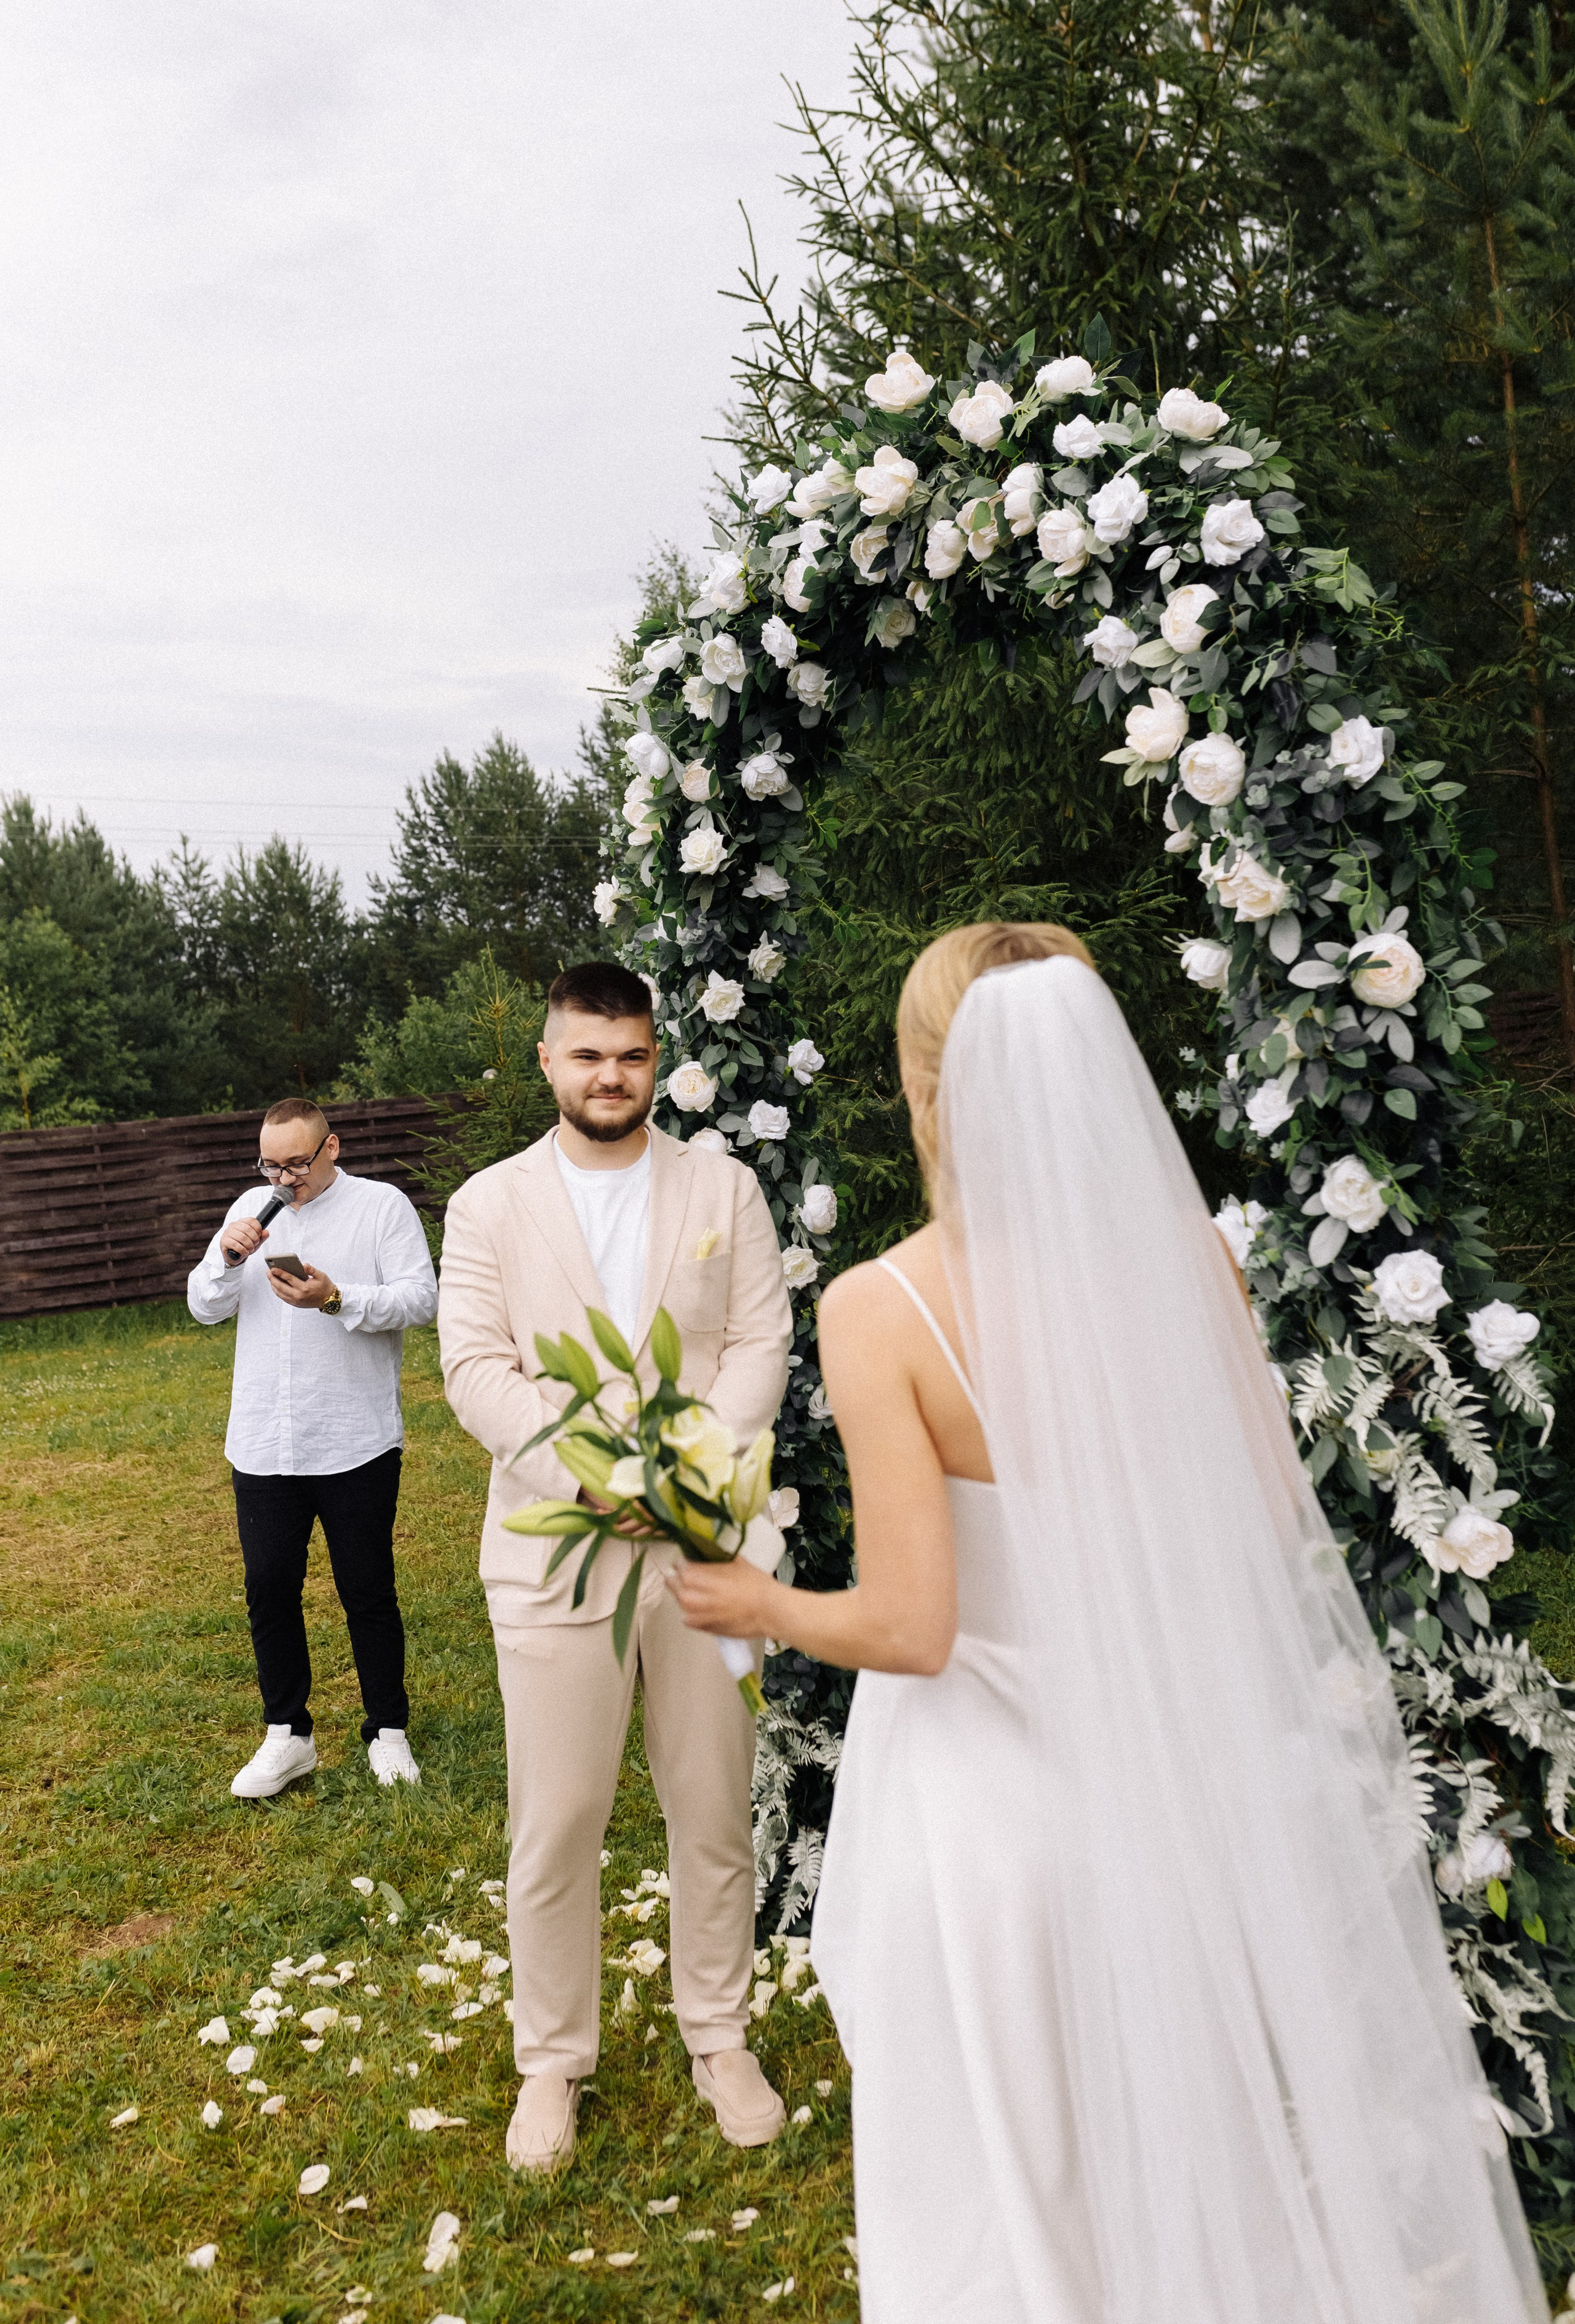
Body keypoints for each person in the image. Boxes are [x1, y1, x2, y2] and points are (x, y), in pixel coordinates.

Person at [673, 923, 1547, 2324]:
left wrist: (750, 1600)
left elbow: (911, 1624)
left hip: (983, 1830)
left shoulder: (879, 1306)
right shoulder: (1197, 1260)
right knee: (1180, 2162)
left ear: (924, 1083)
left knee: (996, 2200)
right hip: (1155, 1793)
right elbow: (1267, 1526)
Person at [437, 960, 794, 2176]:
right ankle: (552, 2062)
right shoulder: (488, 1205)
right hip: (554, 1550)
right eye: (586, 1055)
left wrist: (687, 1470)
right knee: (557, 1817)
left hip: (703, 1546)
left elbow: (757, 1339)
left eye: (630, 1055)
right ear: (548, 1062)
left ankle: (718, 2036)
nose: (609, 1076)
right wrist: (589, 1474)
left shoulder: (723, 1188)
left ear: (655, 1059)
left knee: (709, 1805)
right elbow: (474, 1367)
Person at [188, 1095, 438, 1800]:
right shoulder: (250, 1209)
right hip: (264, 1439)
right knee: (269, 1588)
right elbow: (203, 1306)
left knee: (367, 1590)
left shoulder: (382, 1207)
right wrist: (229, 1260)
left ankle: (388, 1733)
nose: (284, 1179)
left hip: (354, 1437)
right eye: (271, 1164)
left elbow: (422, 1299)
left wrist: (336, 1299)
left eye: (297, 1163)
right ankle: (286, 1736)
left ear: (332, 1147)